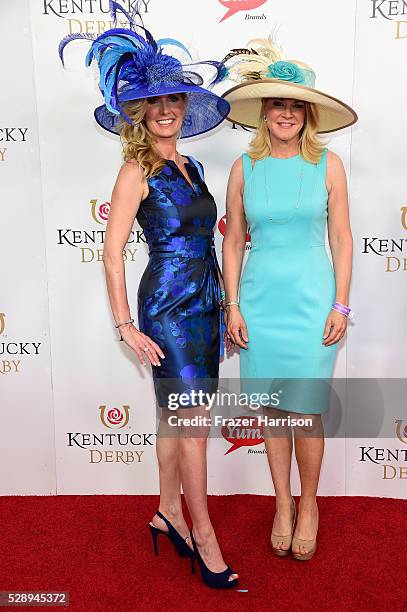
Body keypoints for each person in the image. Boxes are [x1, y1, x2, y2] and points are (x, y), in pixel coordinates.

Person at [59, 0, 238, 589]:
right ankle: (204, 536)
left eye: (173, 100)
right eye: (154, 103)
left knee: (177, 420)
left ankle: (166, 512)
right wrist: (125, 325)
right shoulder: (135, 170)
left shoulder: (195, 169)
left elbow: (209, 236)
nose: (165, 111)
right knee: (191, 424)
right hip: (165, 305)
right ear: (138, 111)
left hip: (205, 300)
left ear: (184, 108)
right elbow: (112, 255)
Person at [221, 38, 357, 560]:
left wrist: (340, 304)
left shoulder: (329, 163)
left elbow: (342, 239)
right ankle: (282, 504)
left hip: (312, 302)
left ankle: (310, 504)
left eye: (295, 104)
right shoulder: (243, 166)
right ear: (264, 112)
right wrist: (232, 305)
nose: (286, 113)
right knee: (274, 412)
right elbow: (233, 239)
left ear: (307, 112)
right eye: (277, 104)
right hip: (258, 302)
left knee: (305, 412)